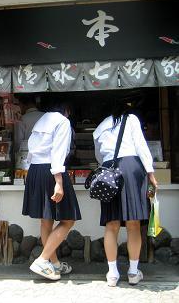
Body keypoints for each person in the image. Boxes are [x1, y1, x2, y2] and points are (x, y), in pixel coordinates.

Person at [93, 102, 158, 287]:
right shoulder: (131, 119)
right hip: (131, 168)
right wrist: (151, 173)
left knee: (111, 224)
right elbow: (140, 145)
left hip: (108, 169)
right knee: (133, 223)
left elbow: (99, 155)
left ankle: (112, 274)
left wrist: (108, 166)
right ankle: (132, 272)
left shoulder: (99, 127)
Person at [23, 103, 81, 281]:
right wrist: (59, 182)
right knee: (69, 219)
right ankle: (42, 259)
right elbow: (58, 152)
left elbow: (30, 152)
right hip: (51, 170)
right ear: (67, 111)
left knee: (46, 220)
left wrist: (28, 172)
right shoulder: (63, 122)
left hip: (35, 170)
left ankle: (53, 264)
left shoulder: (41, 121)